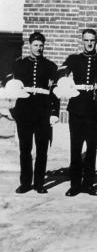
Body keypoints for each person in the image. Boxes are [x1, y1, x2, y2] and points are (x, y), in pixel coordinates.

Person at [6, 32, 60, 194]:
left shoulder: (51, 66)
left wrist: (54, 112)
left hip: (42, 112)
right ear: (30, 45)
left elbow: (54, 92)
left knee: (42, 149)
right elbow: (11, 88)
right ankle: (25, 183)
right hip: (24, 110)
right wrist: (13, 110)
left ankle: (39, 183)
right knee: (25, 148)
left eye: (41, 45)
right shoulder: (19, 64)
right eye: (35, 45)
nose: (38, 48)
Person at [58, 29, 97, 197]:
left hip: (94, 109)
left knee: (92, 148)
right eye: (86, 40)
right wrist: (66, 84)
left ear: (96, 41)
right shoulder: (74, 59)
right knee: (75, 147)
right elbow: (60, 74)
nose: (89, 43)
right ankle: (74, 184)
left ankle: (88, 184)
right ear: (82, 41)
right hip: (76, 108)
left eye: (92, 40)